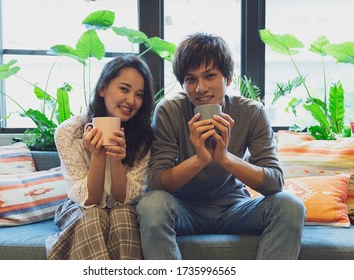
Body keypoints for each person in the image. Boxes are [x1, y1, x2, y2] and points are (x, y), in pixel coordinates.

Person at [136, 33, 306, 260]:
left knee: (290, 206)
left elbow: (275, 182)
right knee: (152, 205)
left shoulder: (251, 112)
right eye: (191, 79)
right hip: (184, 209)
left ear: (228, 79)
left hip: (235, 209)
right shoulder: (170, 110)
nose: (200, 88)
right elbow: (156, 182)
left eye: (210, 76)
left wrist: (224, 157)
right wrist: (200, 159)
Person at [46, 54, 155, 260]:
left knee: (123, 216)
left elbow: (124, 198)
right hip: (79, 206)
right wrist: (98, 155)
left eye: (139, 95)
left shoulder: (143, 137)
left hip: (123, 205)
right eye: (124, 89)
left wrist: (115, 159)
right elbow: (90, 200)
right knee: (94, 215)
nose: (131, 100)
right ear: (103, 88)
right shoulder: (68, 132)